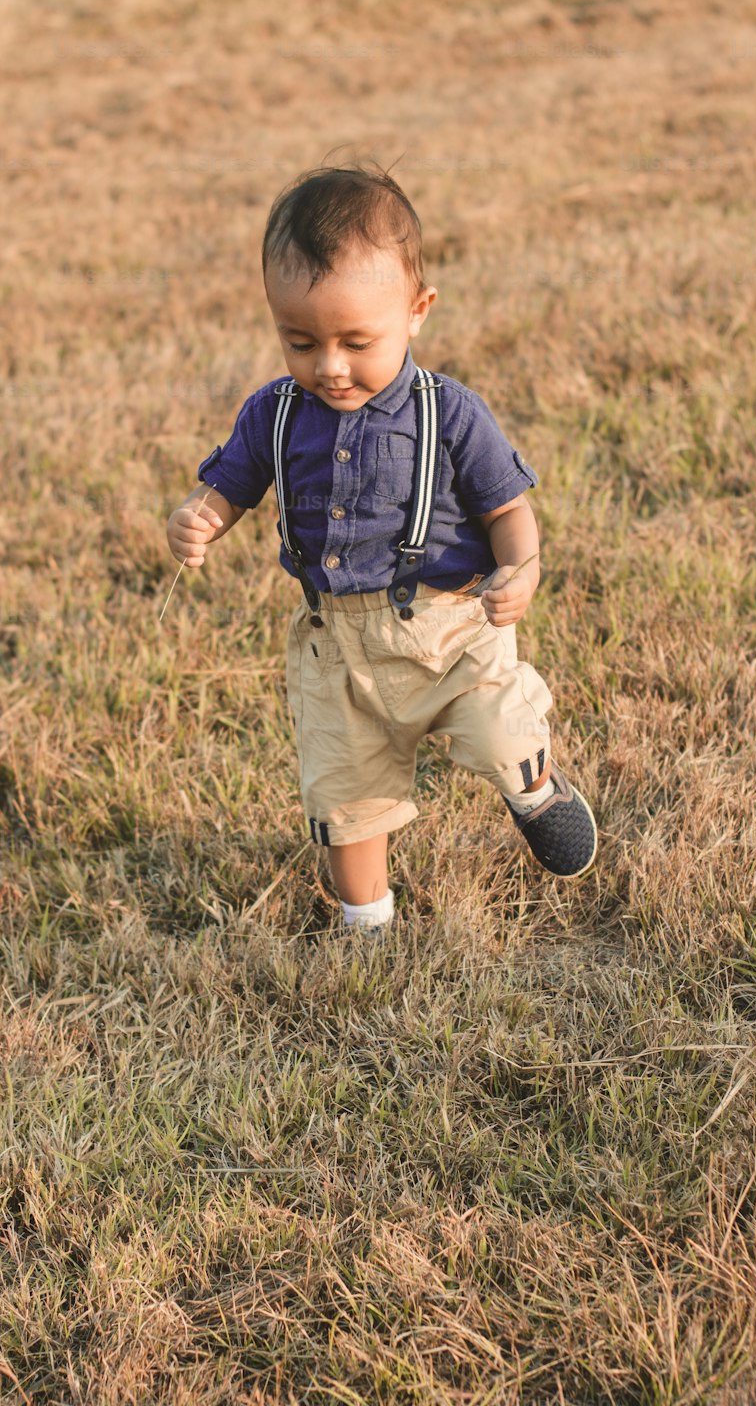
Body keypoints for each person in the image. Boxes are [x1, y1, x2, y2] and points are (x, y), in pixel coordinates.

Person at [166, 161, 597, 934]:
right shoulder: (274, 412)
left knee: (497, 729)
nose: (328, 366)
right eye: (299, 340)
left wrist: (519, 568)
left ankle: (535, 789)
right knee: (345, 797)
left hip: (450, 626)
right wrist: (200, 516)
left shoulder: (452, 413)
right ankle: (368, 926)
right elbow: (229, 486)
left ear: (417, 310)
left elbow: (509, 509)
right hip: (337, 646)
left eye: (355, 341)